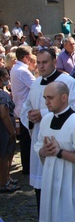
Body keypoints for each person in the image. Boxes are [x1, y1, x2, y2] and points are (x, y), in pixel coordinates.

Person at [20, 48, 75, 212]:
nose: (41, 67)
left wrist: (42, 114)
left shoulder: (68, 83)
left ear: (54, 62)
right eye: (38, 63)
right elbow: (26, 107)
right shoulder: (35, 83)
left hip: (61, 143)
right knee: (42, 193)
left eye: (45, 62)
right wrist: (30, 116)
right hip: (40, 141)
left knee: (61, 192)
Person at [34, 81, 75, 222]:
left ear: (64, 97)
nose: (46, 102)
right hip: (51, 182)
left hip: (73, 185)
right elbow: (38, 146)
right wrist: (43, 150)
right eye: (45, 98)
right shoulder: (46, 120)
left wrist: (60, 152)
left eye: (50, 98)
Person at [10, 45, 36, 175]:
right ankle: (28, 167)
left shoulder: (16, 68)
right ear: (26, 57)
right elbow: (35, 86)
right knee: (27, 140)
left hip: (21, 107)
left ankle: (27, 165)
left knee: (26, 140)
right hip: (25, 109)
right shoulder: (23, 70)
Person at [0, 68, 18, 193]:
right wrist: (12, 131)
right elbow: (4, 114)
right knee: (5, 156)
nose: (8, 77)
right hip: (4, 128)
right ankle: (3, 182)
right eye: (6, 75)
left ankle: (6, 178)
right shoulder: (2, 95)